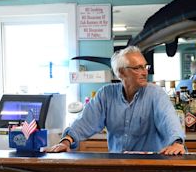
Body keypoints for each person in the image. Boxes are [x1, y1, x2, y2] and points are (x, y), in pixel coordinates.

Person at [47, 46, 186, 155]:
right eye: (138, 68)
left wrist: (177, 142)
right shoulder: (106, 95)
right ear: (121, 72)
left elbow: (169, 121)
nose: (145, 72)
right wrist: (66, 141)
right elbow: (85, 121)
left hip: (149, 166)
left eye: (145, 66)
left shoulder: (156, 94)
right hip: (118, 165)